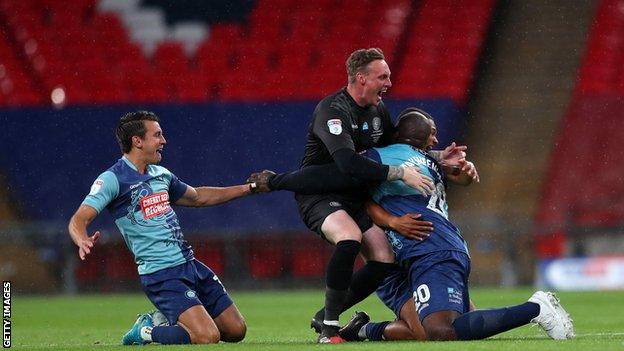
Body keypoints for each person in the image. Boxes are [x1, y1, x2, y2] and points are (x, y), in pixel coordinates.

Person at [248, 48, 467, 344]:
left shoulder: (378, 110)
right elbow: (348, 164)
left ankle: (326, 313)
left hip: (353, 197)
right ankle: (328, 328)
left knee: (384, 258)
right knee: (349, 237)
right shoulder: (333, 110)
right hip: (320, 195)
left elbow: (398, 147)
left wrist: (439, 157)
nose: (389, 82)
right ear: (361, 78)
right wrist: (400, 174)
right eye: (383, 76)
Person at [336, 107, 575, 342]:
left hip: (430, 248)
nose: (436, 139)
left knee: (441, 330)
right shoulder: (428, 161)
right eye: (432, 133)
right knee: (429, 331)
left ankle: (535, 309)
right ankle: (362, 331)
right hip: (423, 250)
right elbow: (459, 175)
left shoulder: (378, 156)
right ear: (419, 137)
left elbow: (349, 177)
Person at [67, 111, 259, 345]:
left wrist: (250, 188)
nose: (163, 141)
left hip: (190, 265)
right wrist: (81, 239)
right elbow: (78, 219)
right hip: (161, 274)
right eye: (157, 135)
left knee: (236, 331)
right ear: (137, 141)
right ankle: (145, 331)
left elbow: (199, 197)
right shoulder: (112, 179)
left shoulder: (161, 174)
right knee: (207, 336)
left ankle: (170, 321)